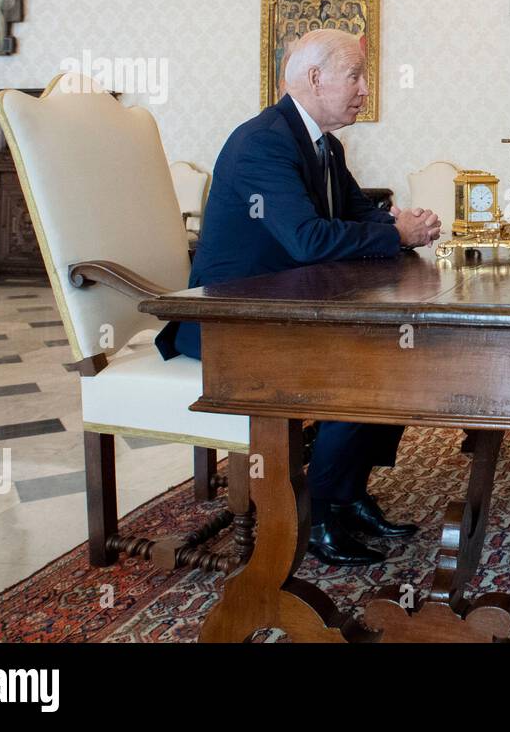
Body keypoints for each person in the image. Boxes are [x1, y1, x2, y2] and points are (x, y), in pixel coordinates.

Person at [155, 29, 442, 567]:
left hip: (280, 312)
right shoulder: (262, 142)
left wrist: (403, 222)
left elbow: (357, 214)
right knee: (363, 366)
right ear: (314, 78)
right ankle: (319, 513)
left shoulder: (324, 144)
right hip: (228, 322)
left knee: (401, 354)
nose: (364, 90)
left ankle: (348, 495)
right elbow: (308, 238)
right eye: (355, 76)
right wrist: (395, 235)